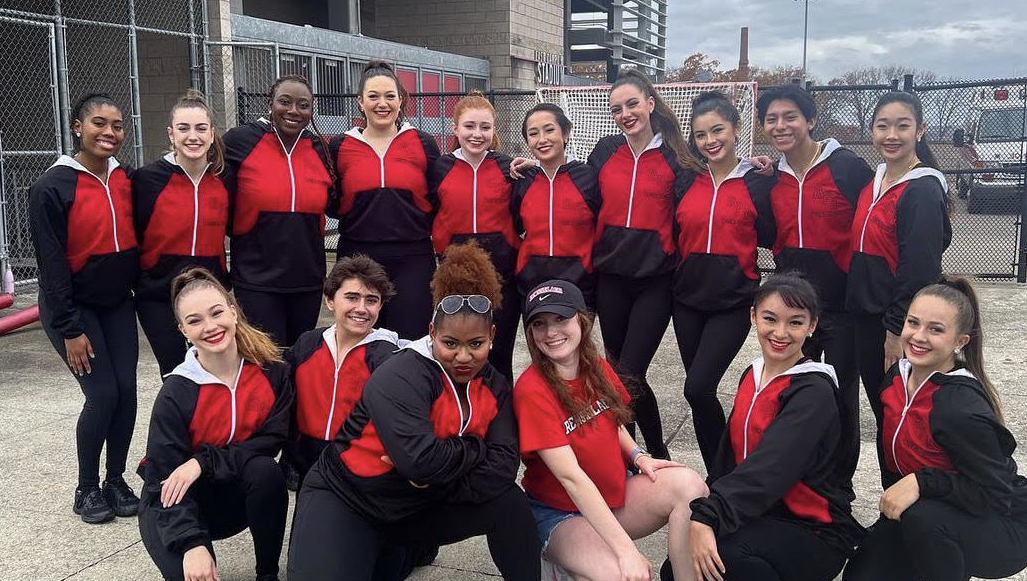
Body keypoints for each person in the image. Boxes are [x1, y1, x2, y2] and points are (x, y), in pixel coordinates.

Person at [288, 242, 540, 581]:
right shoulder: (400, 372)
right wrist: (474, 449)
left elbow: (503, 468)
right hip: (350, 498)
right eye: (451, 343)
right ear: (433, 332)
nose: (463, 357)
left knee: (509, 503)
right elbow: (419, 461)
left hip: (417, 506)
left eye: (476, 344)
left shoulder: (495, 386)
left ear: (491, 336)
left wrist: (431, 479)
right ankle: (380, 551)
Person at [514, 278, 708, 581]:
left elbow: (611, 420)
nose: (551, 332)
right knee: (621, 574)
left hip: (612, 495)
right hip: (560, 513)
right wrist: (625, 551)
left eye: (560, 318)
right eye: (539, 323)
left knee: (691, 487)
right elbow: (572, 479)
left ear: (582, 319)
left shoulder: (597, 367)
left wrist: (639, 455)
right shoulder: (531, 389)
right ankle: (563, 563)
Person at [681, 274, 864, 581]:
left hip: (811, 528)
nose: (781, 332)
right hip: (758, 515)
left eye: (795, 322)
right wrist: (711, 504)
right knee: (678, 568)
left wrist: (710, 514)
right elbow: (729, 458)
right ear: (753, 316)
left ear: (812, 326)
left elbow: (773, 467)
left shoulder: (813, 391)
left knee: (726, 563)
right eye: (770, 318)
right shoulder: (752, 376)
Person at [843, 278, 1027, 581]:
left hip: (999, 524)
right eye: (913, 323)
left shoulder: (960, 407)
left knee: (924, 520)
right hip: (930, 512)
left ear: (960, 342)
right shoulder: (895, 379)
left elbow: (996, 494)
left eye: (936, 329)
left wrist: (923, 483)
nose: (918, 336)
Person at [136, 267, 291, 581]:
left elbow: (272, 440)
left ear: (233, 312)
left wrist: (201, 462)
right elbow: (163, 478)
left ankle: (268, 574)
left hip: (231, 496)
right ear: (182, 330)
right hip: (172, 501)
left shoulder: (271, 372)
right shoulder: (176, 392)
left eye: (216, 312)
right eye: (194, 321)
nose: (210, 327)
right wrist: (191, 543)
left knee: (267, 472)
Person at [29, 93, 141, 524]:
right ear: (78, 126)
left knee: (127, 393)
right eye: (99, 123)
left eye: (116, 126)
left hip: (116, 304)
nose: (109, 133)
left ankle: (116, 479)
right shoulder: (52, 187)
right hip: (72, 309)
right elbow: (51, 267)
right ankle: (87, 487)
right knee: (102, 395)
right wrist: (69, 328)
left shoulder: (125, 178)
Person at [756, 84, 875, 486]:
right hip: (794, 310)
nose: (780, 125)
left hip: (841, 308)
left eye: (789, 116)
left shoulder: (848, 168)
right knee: (795, 395)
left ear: (810, 120)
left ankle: (838, 487)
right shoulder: (773, 178)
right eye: (771, 119)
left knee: (840, 399)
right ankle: (799, 479)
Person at [584, 69, 703, 460]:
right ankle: (635, 457)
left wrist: (758, 166)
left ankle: (652, 454)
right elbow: (572, 185)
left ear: (650, 103)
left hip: (655, 281)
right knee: (620, 376)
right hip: (611, 278)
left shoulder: (679, 157)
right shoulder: (604, 151)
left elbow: (715, 180)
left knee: (627, 375)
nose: (625, 113)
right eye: (617, 108)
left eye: (632, 104)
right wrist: (525, 167)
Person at [672, 92, 775, 470]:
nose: (710, 141)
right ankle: (720, 476)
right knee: (700, 395)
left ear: (735, 129)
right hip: (686, 302)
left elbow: (773, 233)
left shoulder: (758, 182)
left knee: (696, 387)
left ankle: (728, 471)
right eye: (701, 135)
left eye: (717, 130)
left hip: (732, 302)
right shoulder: (686, 180)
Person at [846, 91, 952, 441]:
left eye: (902, 126)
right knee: (886, 416)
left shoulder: (922, 189)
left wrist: (896, 332)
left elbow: (919, 270)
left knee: (899, 419)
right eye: (883, 126)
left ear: (920, 131)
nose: (891, 135)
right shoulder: (875, 182)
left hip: (892, 324)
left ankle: (910, 489)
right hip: (864, 316)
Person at [222, 74, 336, 347]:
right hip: (256, 279)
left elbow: (335, 202)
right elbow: (218, 202)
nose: (293, 111)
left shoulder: (320, 148)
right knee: (266, 360)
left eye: (303, 105)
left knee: (298, 359)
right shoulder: (240, 141)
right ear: (270, 102)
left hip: (306, 279)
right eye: (285, 102)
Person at [331, 60, 441, 340]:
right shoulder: (340, 146)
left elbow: (441, 194)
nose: (383, 104)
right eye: (373, 96)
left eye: (390, 96)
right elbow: (330, 199)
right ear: (360, 101)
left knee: (411, 339)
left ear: (401, 100)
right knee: (360, 337)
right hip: (357, 255)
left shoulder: (422, 142)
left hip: (412, 257)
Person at [133, 89, 230, 377]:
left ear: (212, 134)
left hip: (208, 293)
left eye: (201, 129)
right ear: (171, 134)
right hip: (158, 296)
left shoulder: (225, 180)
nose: (193, 136)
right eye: (183, 128)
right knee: (176, 372)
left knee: (212, 370)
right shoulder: (147, 180)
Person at [429, 91, 520, 380]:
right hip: (455, 276)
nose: (477, 134)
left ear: (494, 130)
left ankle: (501, 420)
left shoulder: (508, 168)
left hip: (503, 274)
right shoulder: (439, 168)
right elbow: (428, 212)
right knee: (459, 356)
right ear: (455, 128)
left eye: (485, 127)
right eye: (469, 126)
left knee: (499, 353)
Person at [286, 255, 400, 480]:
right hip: (308, 464)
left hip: (359, 470)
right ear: (330, 300)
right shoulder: (307, 345)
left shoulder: (388, 358)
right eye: (352, 297)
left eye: (371, 300)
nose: (361, 308)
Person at [511, 103, 600, 304]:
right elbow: (513, 226)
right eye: (533, 134)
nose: (542, 139)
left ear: (565, 133)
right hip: (532, 282)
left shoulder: (589, 177)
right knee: (541, 336)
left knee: (575, 336)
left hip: (580, 282)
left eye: (549, 130)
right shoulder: (523, 180)